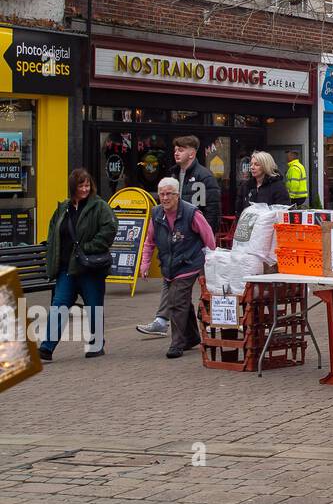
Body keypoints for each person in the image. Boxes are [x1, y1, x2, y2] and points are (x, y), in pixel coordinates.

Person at [137, 136, 222, 338]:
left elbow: (212, 209)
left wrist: (206, 240)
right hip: (178, 241)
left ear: (192, 153)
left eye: (181, 149)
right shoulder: (174, 175)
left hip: (196, 241)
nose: (176, 152)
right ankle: (164, 321)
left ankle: (209, 321)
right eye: (175, 149)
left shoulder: (204, 177)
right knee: (175, 283)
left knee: (204, 285)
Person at [39, 169, 118, 360]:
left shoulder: (99, 206)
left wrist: (90, 247)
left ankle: (96, 344)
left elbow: (110, 227)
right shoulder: (63, 208)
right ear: (72, 187)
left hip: (89, 268)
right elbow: (53, 232)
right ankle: (46, 348)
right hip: (67, 268)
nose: (84, 189)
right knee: (59, 305)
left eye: (87, 185)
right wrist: (52, 251)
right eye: (80, 186)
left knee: (93, 307)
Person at [140, 177, 216, 358]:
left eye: (169, 194)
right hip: (168, 265)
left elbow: (209, 237)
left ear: (177, 195)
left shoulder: (191, 213)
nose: (165, 198)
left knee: (176, 302)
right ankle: (191, 337)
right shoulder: (156, 214)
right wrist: (145, 263)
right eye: (162, 194)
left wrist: (212, 262)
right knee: (182, 302)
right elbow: (150, 242)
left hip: (189, 263)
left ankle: (177, 343)